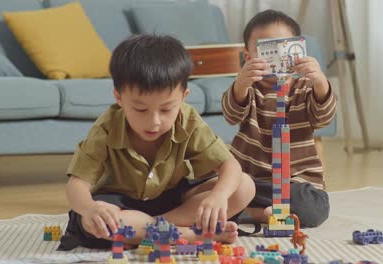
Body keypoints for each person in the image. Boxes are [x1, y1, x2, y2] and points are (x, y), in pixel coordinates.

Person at [58, 34, 255, 250]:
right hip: (123, 205)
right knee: (103, 222)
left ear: (183, 97)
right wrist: (89, 209)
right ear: (118, 97)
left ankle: (155, 231)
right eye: (140, 109)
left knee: (244, 186)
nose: (154, 122)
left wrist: (219, 195)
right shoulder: (106, 128)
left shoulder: (187, 119)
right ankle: (189, 235)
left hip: (174, 203)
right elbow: (77, 185)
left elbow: (230, 166)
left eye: (166, 109)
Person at [221, 10, 337, 228]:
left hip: (295, 183)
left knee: (314, 207)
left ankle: (258, 211)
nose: (275, 56)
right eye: (266, 49)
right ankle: (260, 210)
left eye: (282, 47)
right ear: (248, 57)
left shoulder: (305, 87)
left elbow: (324, 117)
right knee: (214, 193)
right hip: (249, 181)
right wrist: (241, 84)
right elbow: (231, 114)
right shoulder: (248, 89)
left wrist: (321, 82)